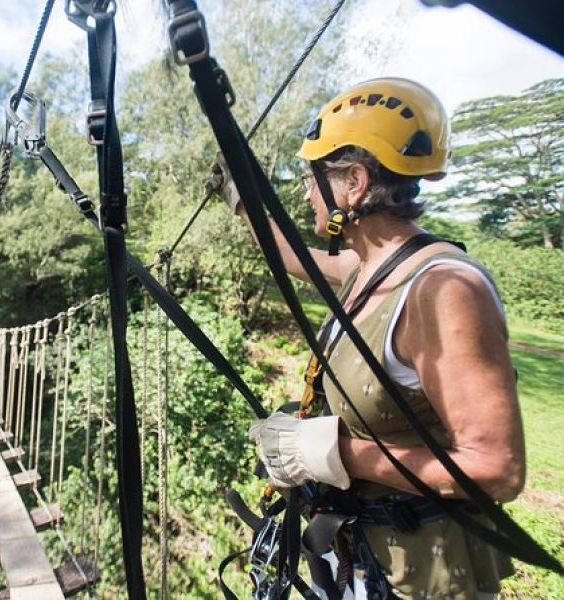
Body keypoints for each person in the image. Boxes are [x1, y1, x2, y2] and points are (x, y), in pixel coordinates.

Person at [220, 77, 524, 599]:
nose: (306, 190)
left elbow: (497, 469)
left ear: (354, 182)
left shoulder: (443, 289)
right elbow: (291, 258)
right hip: (365, 557)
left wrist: (333, 452)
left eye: (313, 177)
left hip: (427, 579)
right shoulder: (369, 269)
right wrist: (242, 199)